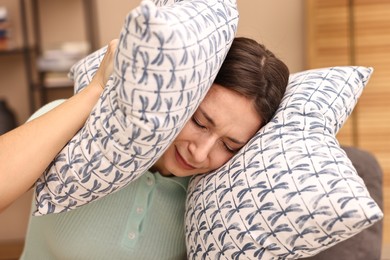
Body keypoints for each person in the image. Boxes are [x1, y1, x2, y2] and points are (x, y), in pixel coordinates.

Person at [3, 37, 289, 259]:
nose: (200, 153)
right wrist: (98, 90)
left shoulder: (216, 197)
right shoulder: (80, 136)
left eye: (229, 145)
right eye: (200, 122)